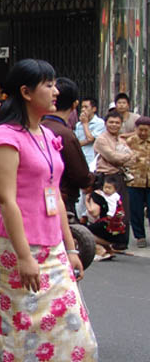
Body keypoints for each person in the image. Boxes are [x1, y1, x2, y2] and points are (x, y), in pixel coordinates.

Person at [0, 59, 100, 362]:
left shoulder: (48, 136)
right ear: (26, 93)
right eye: (46, 85)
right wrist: (25, 257)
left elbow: (55, 196)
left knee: (76, 338)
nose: (55, 91)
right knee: (20, 342)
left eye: (54, 84)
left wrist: (69, 246)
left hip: (51, 247)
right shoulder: (4, 137)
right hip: (12, 250)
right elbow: (6, 200)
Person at [40, 77, 93, 220]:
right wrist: (93, 180)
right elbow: (80, 175)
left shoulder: (39, 128)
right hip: (61, 200)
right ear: (75, 105)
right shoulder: (65, 134)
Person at [93, 109, 133, 251]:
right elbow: (113, 157)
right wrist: (125, 157)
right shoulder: (101, 139)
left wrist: (124, 158)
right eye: (111, 122)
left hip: (119, 177)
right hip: (106, 178)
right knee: (107, 211)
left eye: (117, 122)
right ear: (105, 123)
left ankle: (121, 243)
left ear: (121, 124)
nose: (114, 125)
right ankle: (106, 242)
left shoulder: (121, 140)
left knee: (122, 210)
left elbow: (131, 159)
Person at [85, 174, 127, 258]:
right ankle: (108, 250)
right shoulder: (113, 197)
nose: (106, 190)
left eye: (109, 188)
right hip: (115, 226)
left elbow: (93, 212)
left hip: (108, 224)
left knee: (84, 232)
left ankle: (100, 250)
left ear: (115, 189)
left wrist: (86, 201)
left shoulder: (109, 197)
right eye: (105, 187)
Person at [126, 116, 150, 248]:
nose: (143, 133)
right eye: (141, 130)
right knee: (136, 210)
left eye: (146, 130)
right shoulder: (130, 142)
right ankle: (140, 236)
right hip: (134, 181)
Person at [74, 97, 105, 170]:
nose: (83, 109)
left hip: (91, 157)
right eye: (82, 107)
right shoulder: (78, 124)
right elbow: (76, 140)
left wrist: (85, 123)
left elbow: (90, 138)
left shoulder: (99, 123)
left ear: (94, 109)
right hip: (80, 156)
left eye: (86, 107)